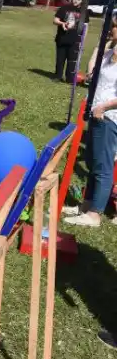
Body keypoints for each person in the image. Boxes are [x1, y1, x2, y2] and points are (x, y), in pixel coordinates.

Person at [64, 24, 117, 228]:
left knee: (103, 167)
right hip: (97, 113)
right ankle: (86, 206)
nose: (112, 29)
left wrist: (104, 106)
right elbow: (91, 73)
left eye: (115, 25)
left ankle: (95, 215)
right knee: (93, 163)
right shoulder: (111, 52)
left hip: (109, 116)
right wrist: (98, 46)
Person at [53, 0, 87, 84]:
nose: (76, 1)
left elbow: (85, 27)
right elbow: (55, 20)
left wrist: (83, 41)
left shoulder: (84, 12)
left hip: (75, 40)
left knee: (72, 61)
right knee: (60, 59)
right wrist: (62, 23)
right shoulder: (64, 8)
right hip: (62, 38)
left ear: (82, 1)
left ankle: (70, 79)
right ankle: (58, 76)